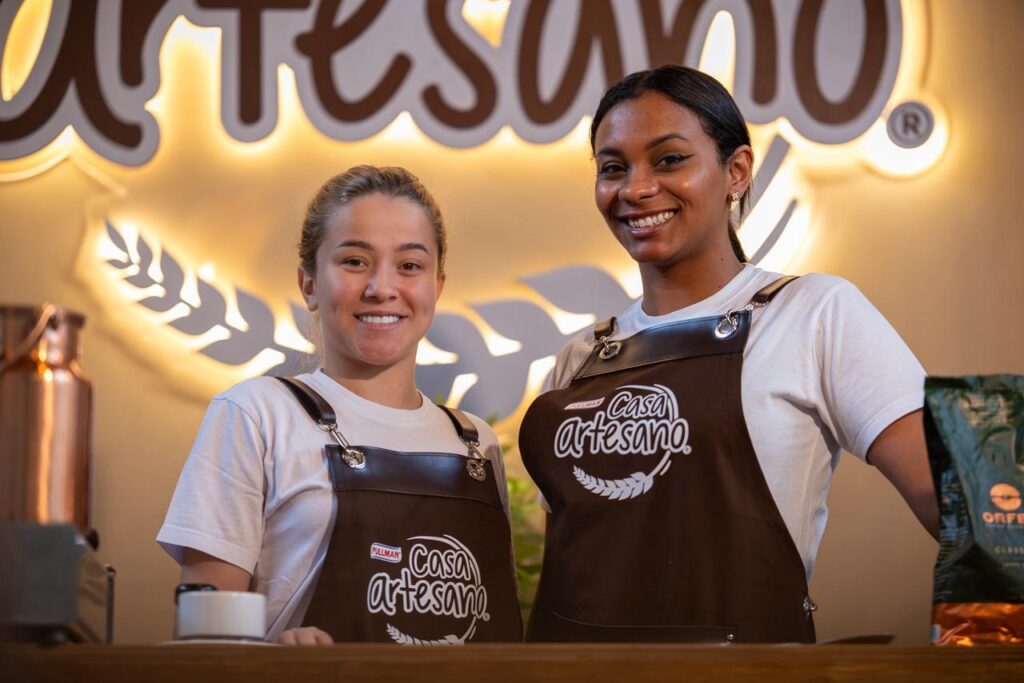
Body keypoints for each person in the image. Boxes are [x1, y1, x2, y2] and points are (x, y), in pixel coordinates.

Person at [518, 66, 938, 643]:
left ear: (736, 171)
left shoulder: (812, 312)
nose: (635, 189)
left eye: (669, 160)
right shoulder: (581, 359)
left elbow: (953, 500)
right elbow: (575, 558)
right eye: (613, 168)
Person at [158, 165, 521, 645]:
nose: (382, 288)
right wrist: (274, 660)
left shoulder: (476, 443)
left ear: (437, 286)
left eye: (409, 266)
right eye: (354, 261)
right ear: (309, 284)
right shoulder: (257, 414)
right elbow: (203, 645)